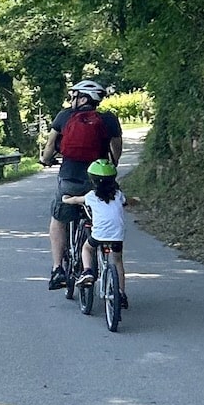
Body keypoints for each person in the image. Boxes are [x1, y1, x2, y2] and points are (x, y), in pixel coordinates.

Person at [39, 79, 122, 289]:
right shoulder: (108, 119)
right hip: (99, 180)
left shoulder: (64, 116)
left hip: (71, 178)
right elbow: (117, 149)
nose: (72, 100)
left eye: (74, 96)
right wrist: (112, 164)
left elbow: (50, 146)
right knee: (100, 215)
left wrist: (46, 160)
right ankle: (105, 266)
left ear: (83, 98)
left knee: (58, 217)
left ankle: (58, 269)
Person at [62, 159, 131, 308]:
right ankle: (121, 293)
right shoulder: (118, 195)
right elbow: (126, 202)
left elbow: (75, 200)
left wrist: (66, 199)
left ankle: (87, 271)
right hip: (117, 236)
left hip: (98, 235)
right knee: (118, 261)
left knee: (86, 248)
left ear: (92, 180)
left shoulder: (92, 196)